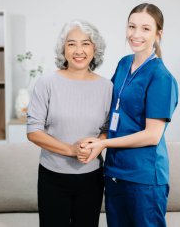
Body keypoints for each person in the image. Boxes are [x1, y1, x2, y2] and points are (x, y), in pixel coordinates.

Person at [78, 3, 179, 227]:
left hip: (143, 177)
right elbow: (113, 111)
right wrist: (99, 139)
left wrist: (105, 144)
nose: (135, 34)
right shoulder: (124, 64)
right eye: (131, 26)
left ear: (158, 34)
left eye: (145, 28)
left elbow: (152, 135)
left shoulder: (161, 77)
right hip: (115, 171)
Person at [26, 20, 113, 227]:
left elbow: (109, 129)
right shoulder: (47, 83)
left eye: (85, 43)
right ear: (63, 49)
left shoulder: (106, 87)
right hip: (52, 177)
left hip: (92, 177)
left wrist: (96, 144)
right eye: (71, 44)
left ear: (95, 48)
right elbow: (33, 131)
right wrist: (71, 150)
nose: (79, 50)